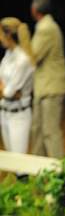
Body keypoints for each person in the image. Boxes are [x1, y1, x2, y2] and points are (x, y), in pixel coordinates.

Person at [30, 0, 65, 159]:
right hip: (44, 86)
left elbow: (34, 56)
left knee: (50, 131)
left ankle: (58, 171)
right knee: (38, 130)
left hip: (51, 86)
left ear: (34, 10)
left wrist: (22, 40)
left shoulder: (46, 28)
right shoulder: (46, 25)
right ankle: (38, 169)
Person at [0, 17, 35, 154]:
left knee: (20, 162)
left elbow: (9, 92)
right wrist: (7, 91)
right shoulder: (8, 55)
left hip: (19, 116)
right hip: (4, 112)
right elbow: (8, 91)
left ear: (8, 34)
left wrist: (7, 90)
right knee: (12, 161)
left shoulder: (23, 60)